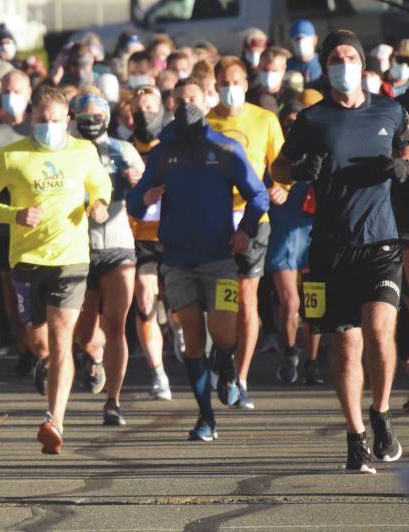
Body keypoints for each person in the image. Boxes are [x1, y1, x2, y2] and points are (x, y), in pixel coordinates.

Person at [272, 30, 408, 473]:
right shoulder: (313, 120)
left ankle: (381, 412)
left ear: (362, 64)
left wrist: (403, 165)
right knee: (346, 347)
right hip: (331, 247)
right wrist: (298, 170)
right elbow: (278, 168)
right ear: (326, 67)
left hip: (381, 242)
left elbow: (406, 147)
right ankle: (355, 436)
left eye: (350, 57)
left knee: (379, 330)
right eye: (334, 59)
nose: (343, 64)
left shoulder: (390, 110)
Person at [0, 84, 112, 455]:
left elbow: (101, 184)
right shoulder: (13, 155)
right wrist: (14, 214)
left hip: (70, 258)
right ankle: (45, 364)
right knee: (38, 342)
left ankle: (55, 420)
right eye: (41, 120)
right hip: (26, 260)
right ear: (31, 119)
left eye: (55, 120)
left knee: (62, 336)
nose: (48, 126)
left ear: (68, 120)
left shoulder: (83, 151)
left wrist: (98, 204)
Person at [127, 78, 268, 443]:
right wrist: (146, 197)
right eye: (179, 100)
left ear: (206, 104)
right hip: (177, 260)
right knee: (192, 336)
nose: (185, 105)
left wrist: (246, 230)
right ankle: (206, 416)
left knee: (224, 332)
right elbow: (134, 201)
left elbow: (259, 196)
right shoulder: (163, 152)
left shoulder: (225, 148)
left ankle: (226, 363)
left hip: (220, 258)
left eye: (191, 98)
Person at [206, 56, 286, 409]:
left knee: (246, 296)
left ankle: (241, 376)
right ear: (215, 85)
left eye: (236, 81)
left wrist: (283, 186)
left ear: (246, 83)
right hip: (214, 220)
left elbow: (282, 165)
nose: (230, 88)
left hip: (254, 217)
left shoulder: (265, 119)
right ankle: (224, 358)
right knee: (222, 296)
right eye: (224, 82)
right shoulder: (206, 123)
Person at [71, 92, 145, 425]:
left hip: (118, 244)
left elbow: (146, 197)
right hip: (78, 247)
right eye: (84, 115)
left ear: (107, 116)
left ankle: (113, 400)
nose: (91, 121)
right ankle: (93, 355)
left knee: (115, 325)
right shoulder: (66, 150)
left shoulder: (122, 149)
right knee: (85, 335)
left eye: (97, 115)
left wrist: (138, 183)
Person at [266, 100, 323, 386]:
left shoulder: (320, 152)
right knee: (290, 303)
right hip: (283, 236)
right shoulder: (274, 158)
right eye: (286, 122)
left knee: (314, 303)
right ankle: (290, 352)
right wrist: (270, 192)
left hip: (314, 236)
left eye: (295, 122)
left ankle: (312, 361)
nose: (291, 127)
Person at [0, 69, 34, 377]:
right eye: (5, 90)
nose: (10, 96)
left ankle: (48, 348)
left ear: (29, 92)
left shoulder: (40, 129)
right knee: (12, 291)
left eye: (16, 90)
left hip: (43, 226)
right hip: (5, 227)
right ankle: (25, 347)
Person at [126, 85, 175, 399]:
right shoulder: (123, 149)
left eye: (149, 108)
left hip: (174, 233)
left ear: (163, 111)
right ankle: (158, 374)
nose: (144, 114)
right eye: (138, 109)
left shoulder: (174, 147)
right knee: (145, 302)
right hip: (139, 236)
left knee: (181, 304)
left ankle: (178, 327)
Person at [248, 47, 290, 114]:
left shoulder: (292, 96)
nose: (269, 74)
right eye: (265, 70)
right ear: (258, 67)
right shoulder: (248, 97)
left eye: (274, 71)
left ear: (283, 69)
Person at [287, 20, 322, 84]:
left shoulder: (323, 63)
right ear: (291, 42)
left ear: (315, 40)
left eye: (304, 38)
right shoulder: (285, 67)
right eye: (297, 39)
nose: (300, 43)